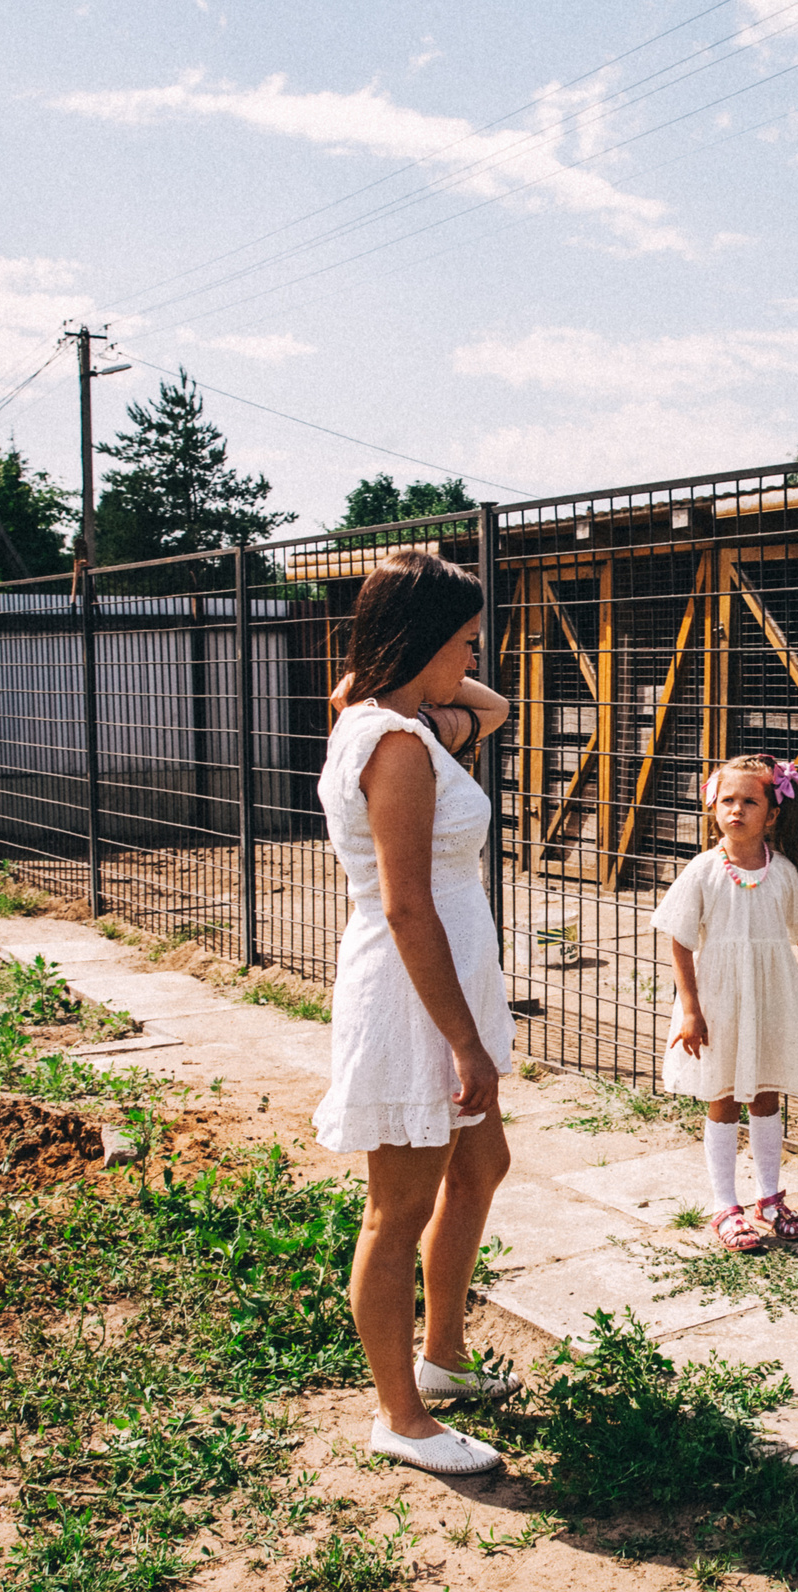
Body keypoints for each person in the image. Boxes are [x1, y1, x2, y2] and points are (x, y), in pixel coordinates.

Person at [315, 548, 515, 1475]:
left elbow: (493, 709)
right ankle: (401, 1416)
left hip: (443, 986)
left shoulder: (398, 720)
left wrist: (423, 665)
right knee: (397, 1210)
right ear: (428, 639)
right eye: (465, 641)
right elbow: (405, 904)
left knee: (483, 1162)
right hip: (412, 999)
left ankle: (440, 1360)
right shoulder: (394, 747)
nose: (475, 658)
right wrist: (463, 1040)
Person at [654, 754, 798, 1252]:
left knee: (767, 1093)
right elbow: (680, 941)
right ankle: (724, 1205)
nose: (736, 810)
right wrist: (690, 1010)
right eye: (727, 800)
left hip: (771, 999)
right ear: (713, 805)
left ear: (772, 814)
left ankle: (770, 1198)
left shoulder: (785, 873)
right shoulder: (704, 871)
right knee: (724, 1095)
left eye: (749, 801)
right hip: (720, 1002)